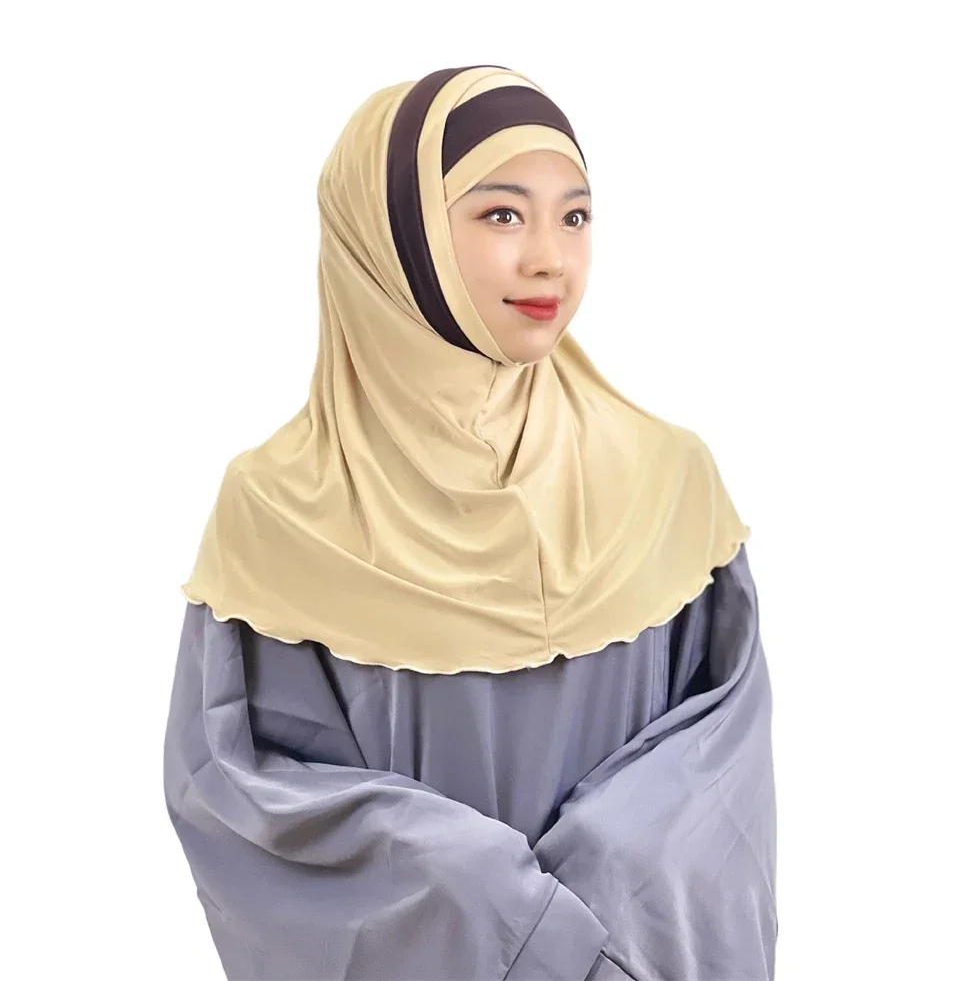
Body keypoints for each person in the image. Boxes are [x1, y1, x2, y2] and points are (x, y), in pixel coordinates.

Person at [162, 64, 778, 981]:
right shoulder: (282, 508)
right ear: (394, 238)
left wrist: (586, 918)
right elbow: (240, 793)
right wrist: (498, 907)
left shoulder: (665, 477)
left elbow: (718, 772)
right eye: (502, 215)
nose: (551, 258)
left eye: (575, 216)